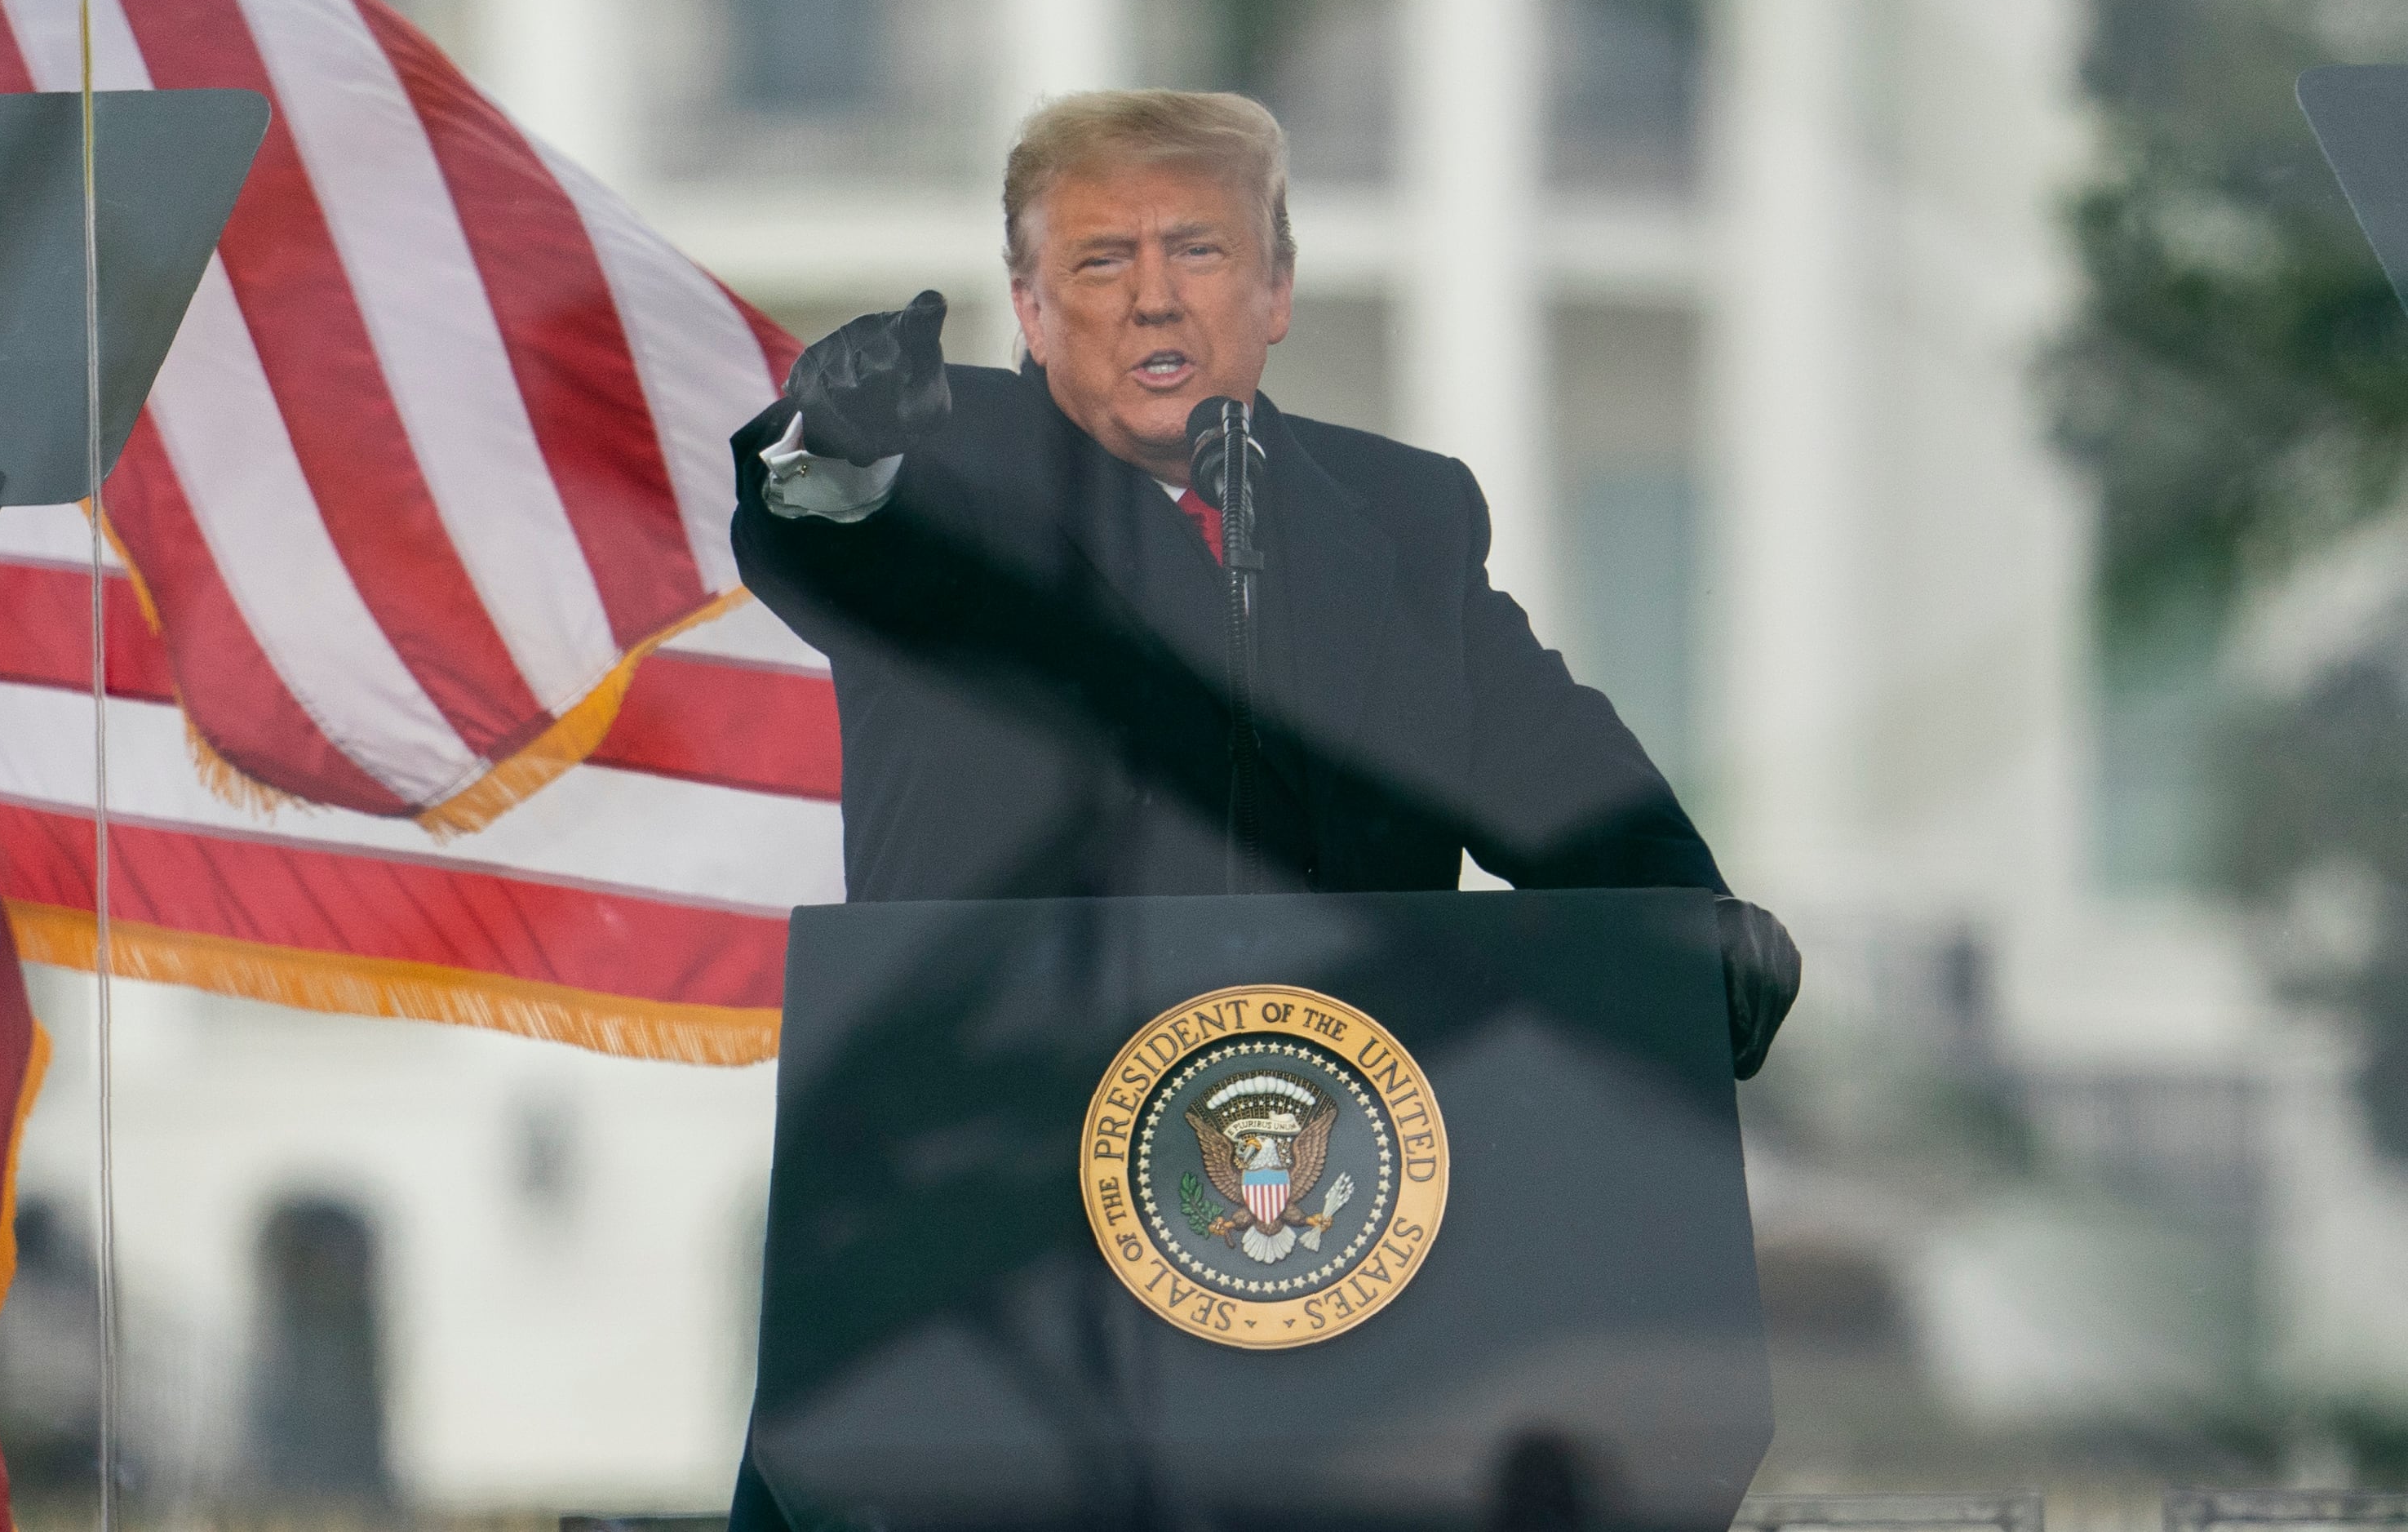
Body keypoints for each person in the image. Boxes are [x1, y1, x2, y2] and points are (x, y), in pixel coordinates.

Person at [733, 88, 1798, 1079]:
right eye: (1102, 261)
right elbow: (831, 535)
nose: (1154, 301)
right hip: (999, 1149)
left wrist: (1692, 931)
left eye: (1197, 252)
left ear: (1274, 291)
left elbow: (1551, 772)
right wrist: (837, 446)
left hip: (1345, 1175)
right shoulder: (939, 469)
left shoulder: (1401, 515)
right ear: (1028, 305)